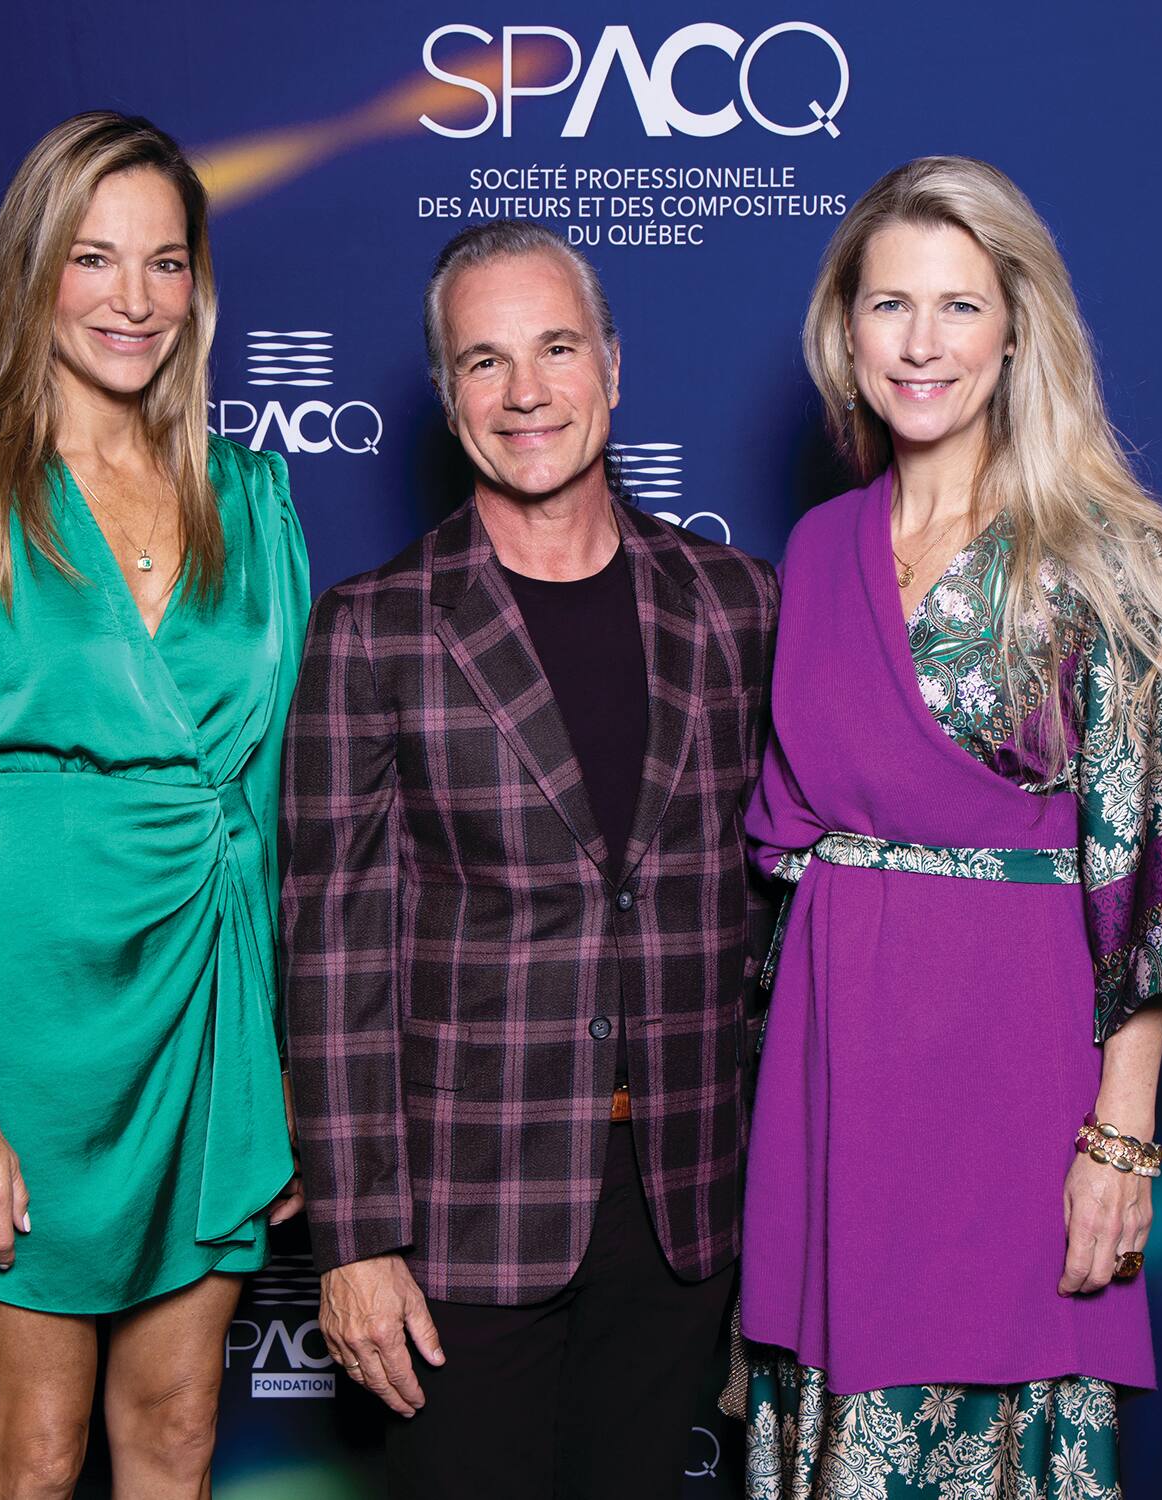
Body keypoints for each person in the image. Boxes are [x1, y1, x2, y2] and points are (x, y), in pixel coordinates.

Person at [737, 157, 1162, 1499]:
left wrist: (1118, 1142)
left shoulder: (1095, 551)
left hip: (1013, 1073)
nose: (921, 344)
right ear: (846, 332)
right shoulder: (817, 547)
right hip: (831, 1064)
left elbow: (1152, 855)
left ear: (1016, 332)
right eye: (889, 305)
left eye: (959, 307)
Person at [0, 111, 307, 1499]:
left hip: (203, 1008)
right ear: (33, 272)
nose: (134, 299)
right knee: (33, 1453)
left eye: (165, 263)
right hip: (21, 1024)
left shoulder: (249, 498)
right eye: (94, 259)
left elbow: (272, 800)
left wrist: (280, 1059)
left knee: (177, 1434)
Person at [281, 219, 778, 1499]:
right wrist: (356, 1238)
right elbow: (331, 954)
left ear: (612, 365)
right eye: (485, 361)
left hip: (683, 1198)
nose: (526, 393)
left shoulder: (739, 603)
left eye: (556, 349)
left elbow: (778, 903)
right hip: (464, 1204)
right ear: (448, 396)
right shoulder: (374, 628)